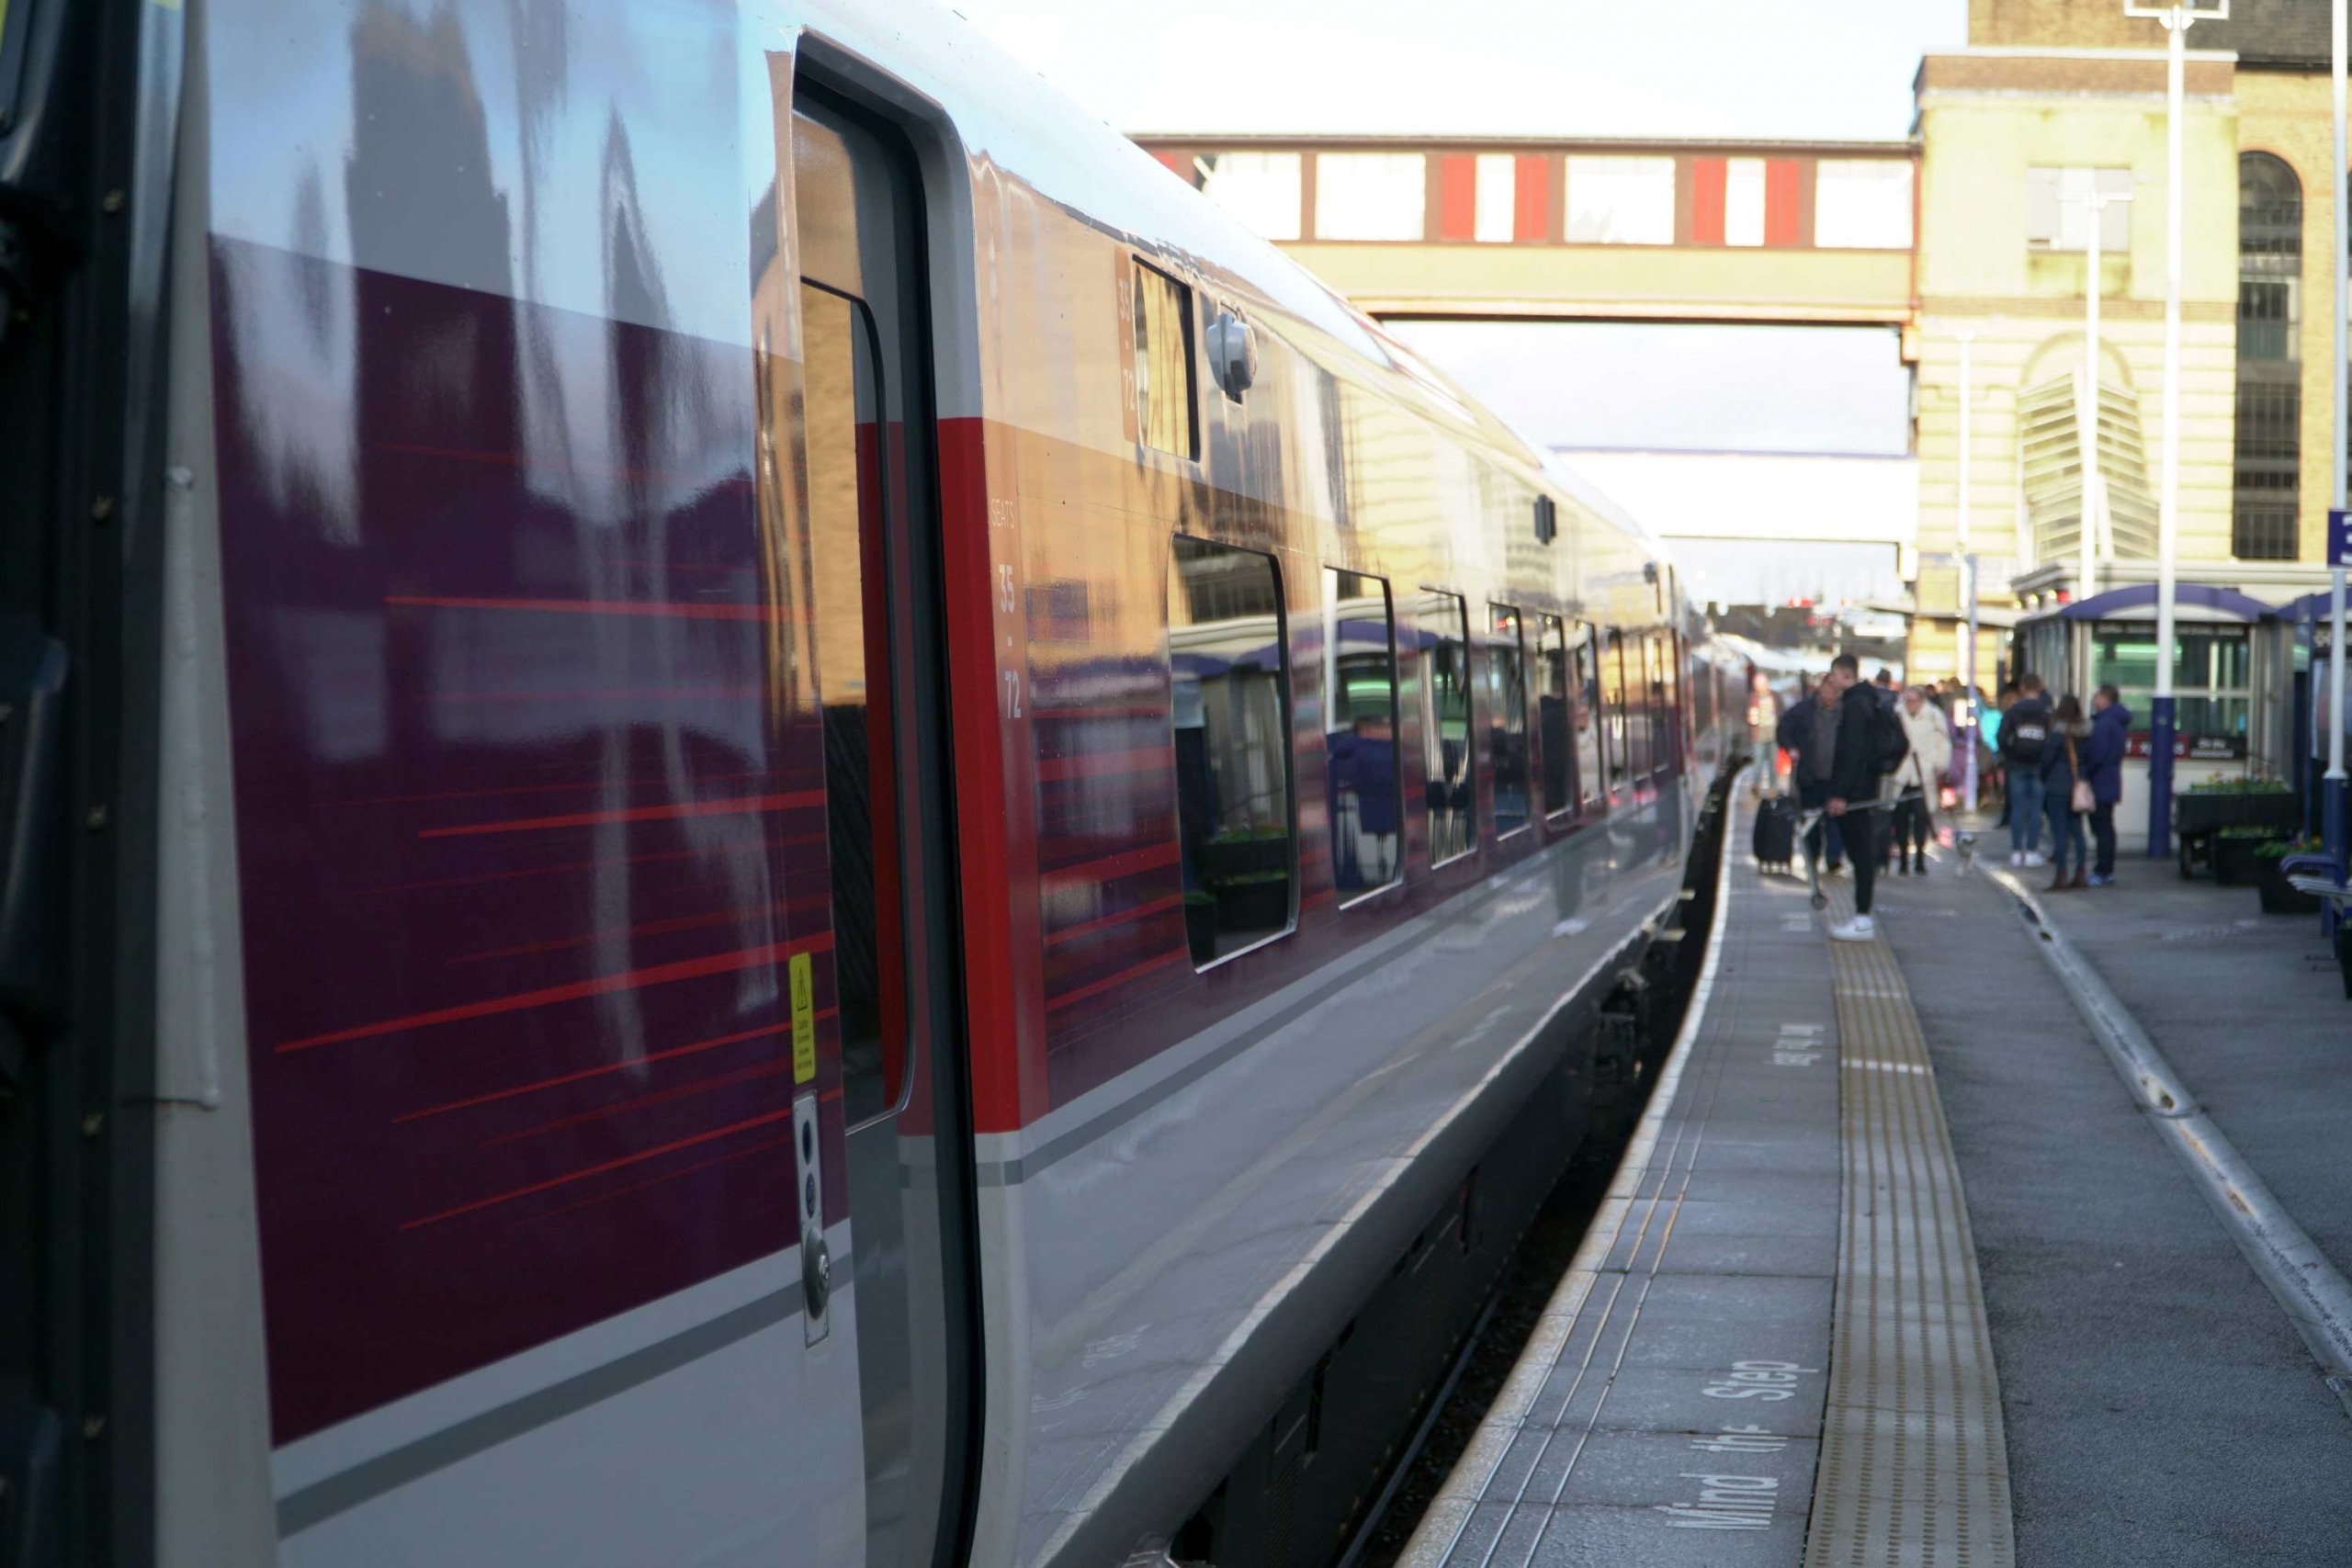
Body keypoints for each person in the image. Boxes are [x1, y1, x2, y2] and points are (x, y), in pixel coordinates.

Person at [1777, 652, 1892, 942]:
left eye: (1834, 677)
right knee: (1860, 854)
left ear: (1843, 675)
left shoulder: (1854, 706)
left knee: (1860, 855)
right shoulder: (1870, 700)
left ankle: (1863, 920)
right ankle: (1861, 918)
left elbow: (1851, 754)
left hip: (1853, 795)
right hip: (1863, 790)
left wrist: (1840, 794)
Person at [1891, 685, 1952, 875]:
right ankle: (1902, 858)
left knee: (1921, 818)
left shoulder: (1933, 715)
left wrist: (1938, 763)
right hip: (1901, 774)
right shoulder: (1896, 714)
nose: (1909, 704)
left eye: (1913, 700)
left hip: (1924, 774)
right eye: (1907, 700)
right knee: (1900, 818)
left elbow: (1943, 742)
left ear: (1922, 701)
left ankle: (1918, 858)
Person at [2040, 694, 2091, 891]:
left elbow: (2047, 759)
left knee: (2059, 833)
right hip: (2077, 785)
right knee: (2077, 831)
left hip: (2057, 786)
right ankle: (2080, 872)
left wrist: (2045, 777)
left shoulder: (2058, 732)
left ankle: (2061, 875)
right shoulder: (2086, 733)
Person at [2000, 674, 2052, 866]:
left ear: (2022, 688)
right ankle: (2031, 851)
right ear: (2039, 687)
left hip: (2017, 766)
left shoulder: (2013, 711)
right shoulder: (2046, 713)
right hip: (2039, 767)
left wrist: (2010, 755)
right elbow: (2052, 740)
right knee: (2035, 810)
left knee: (2017, 809)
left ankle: (2016, 851)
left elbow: (2001, 736)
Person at [2083, 683, 2131, 886]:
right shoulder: (2118, 723)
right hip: (2110, 780)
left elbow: (2097, 754)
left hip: (2100, 781)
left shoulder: (2103, 724)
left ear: (2105, 698)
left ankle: (2102, 870)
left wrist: (2085, 774)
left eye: (2097, 697)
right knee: (2107, 827)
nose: (2094, 701)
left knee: (2101, 828)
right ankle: (2106, 870)